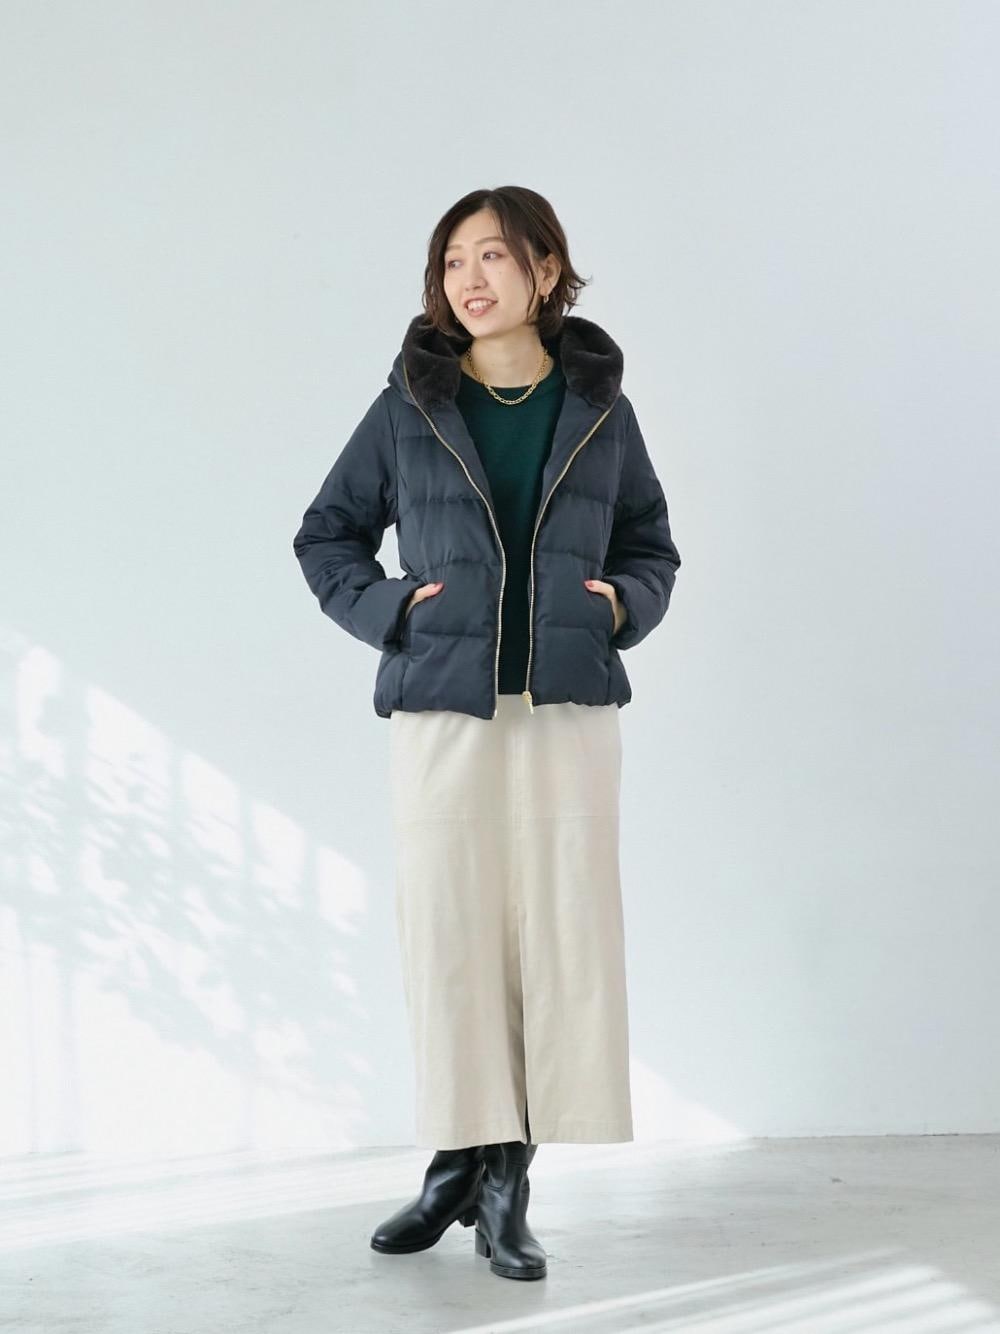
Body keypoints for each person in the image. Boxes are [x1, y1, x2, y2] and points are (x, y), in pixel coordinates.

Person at [292, 185, 681, 1281]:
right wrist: (391, 613)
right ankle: (459, 1159)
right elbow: (325, 534)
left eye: (494, 256)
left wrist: (620, 606)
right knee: (451, 934)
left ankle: (505, 1178)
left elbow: (651, 544)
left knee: (559, 938)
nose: (470, 278)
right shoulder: (408, 406)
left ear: (546, 271)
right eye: (453, 259)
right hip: (443, 708)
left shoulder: (598, 406)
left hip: (565, 708)